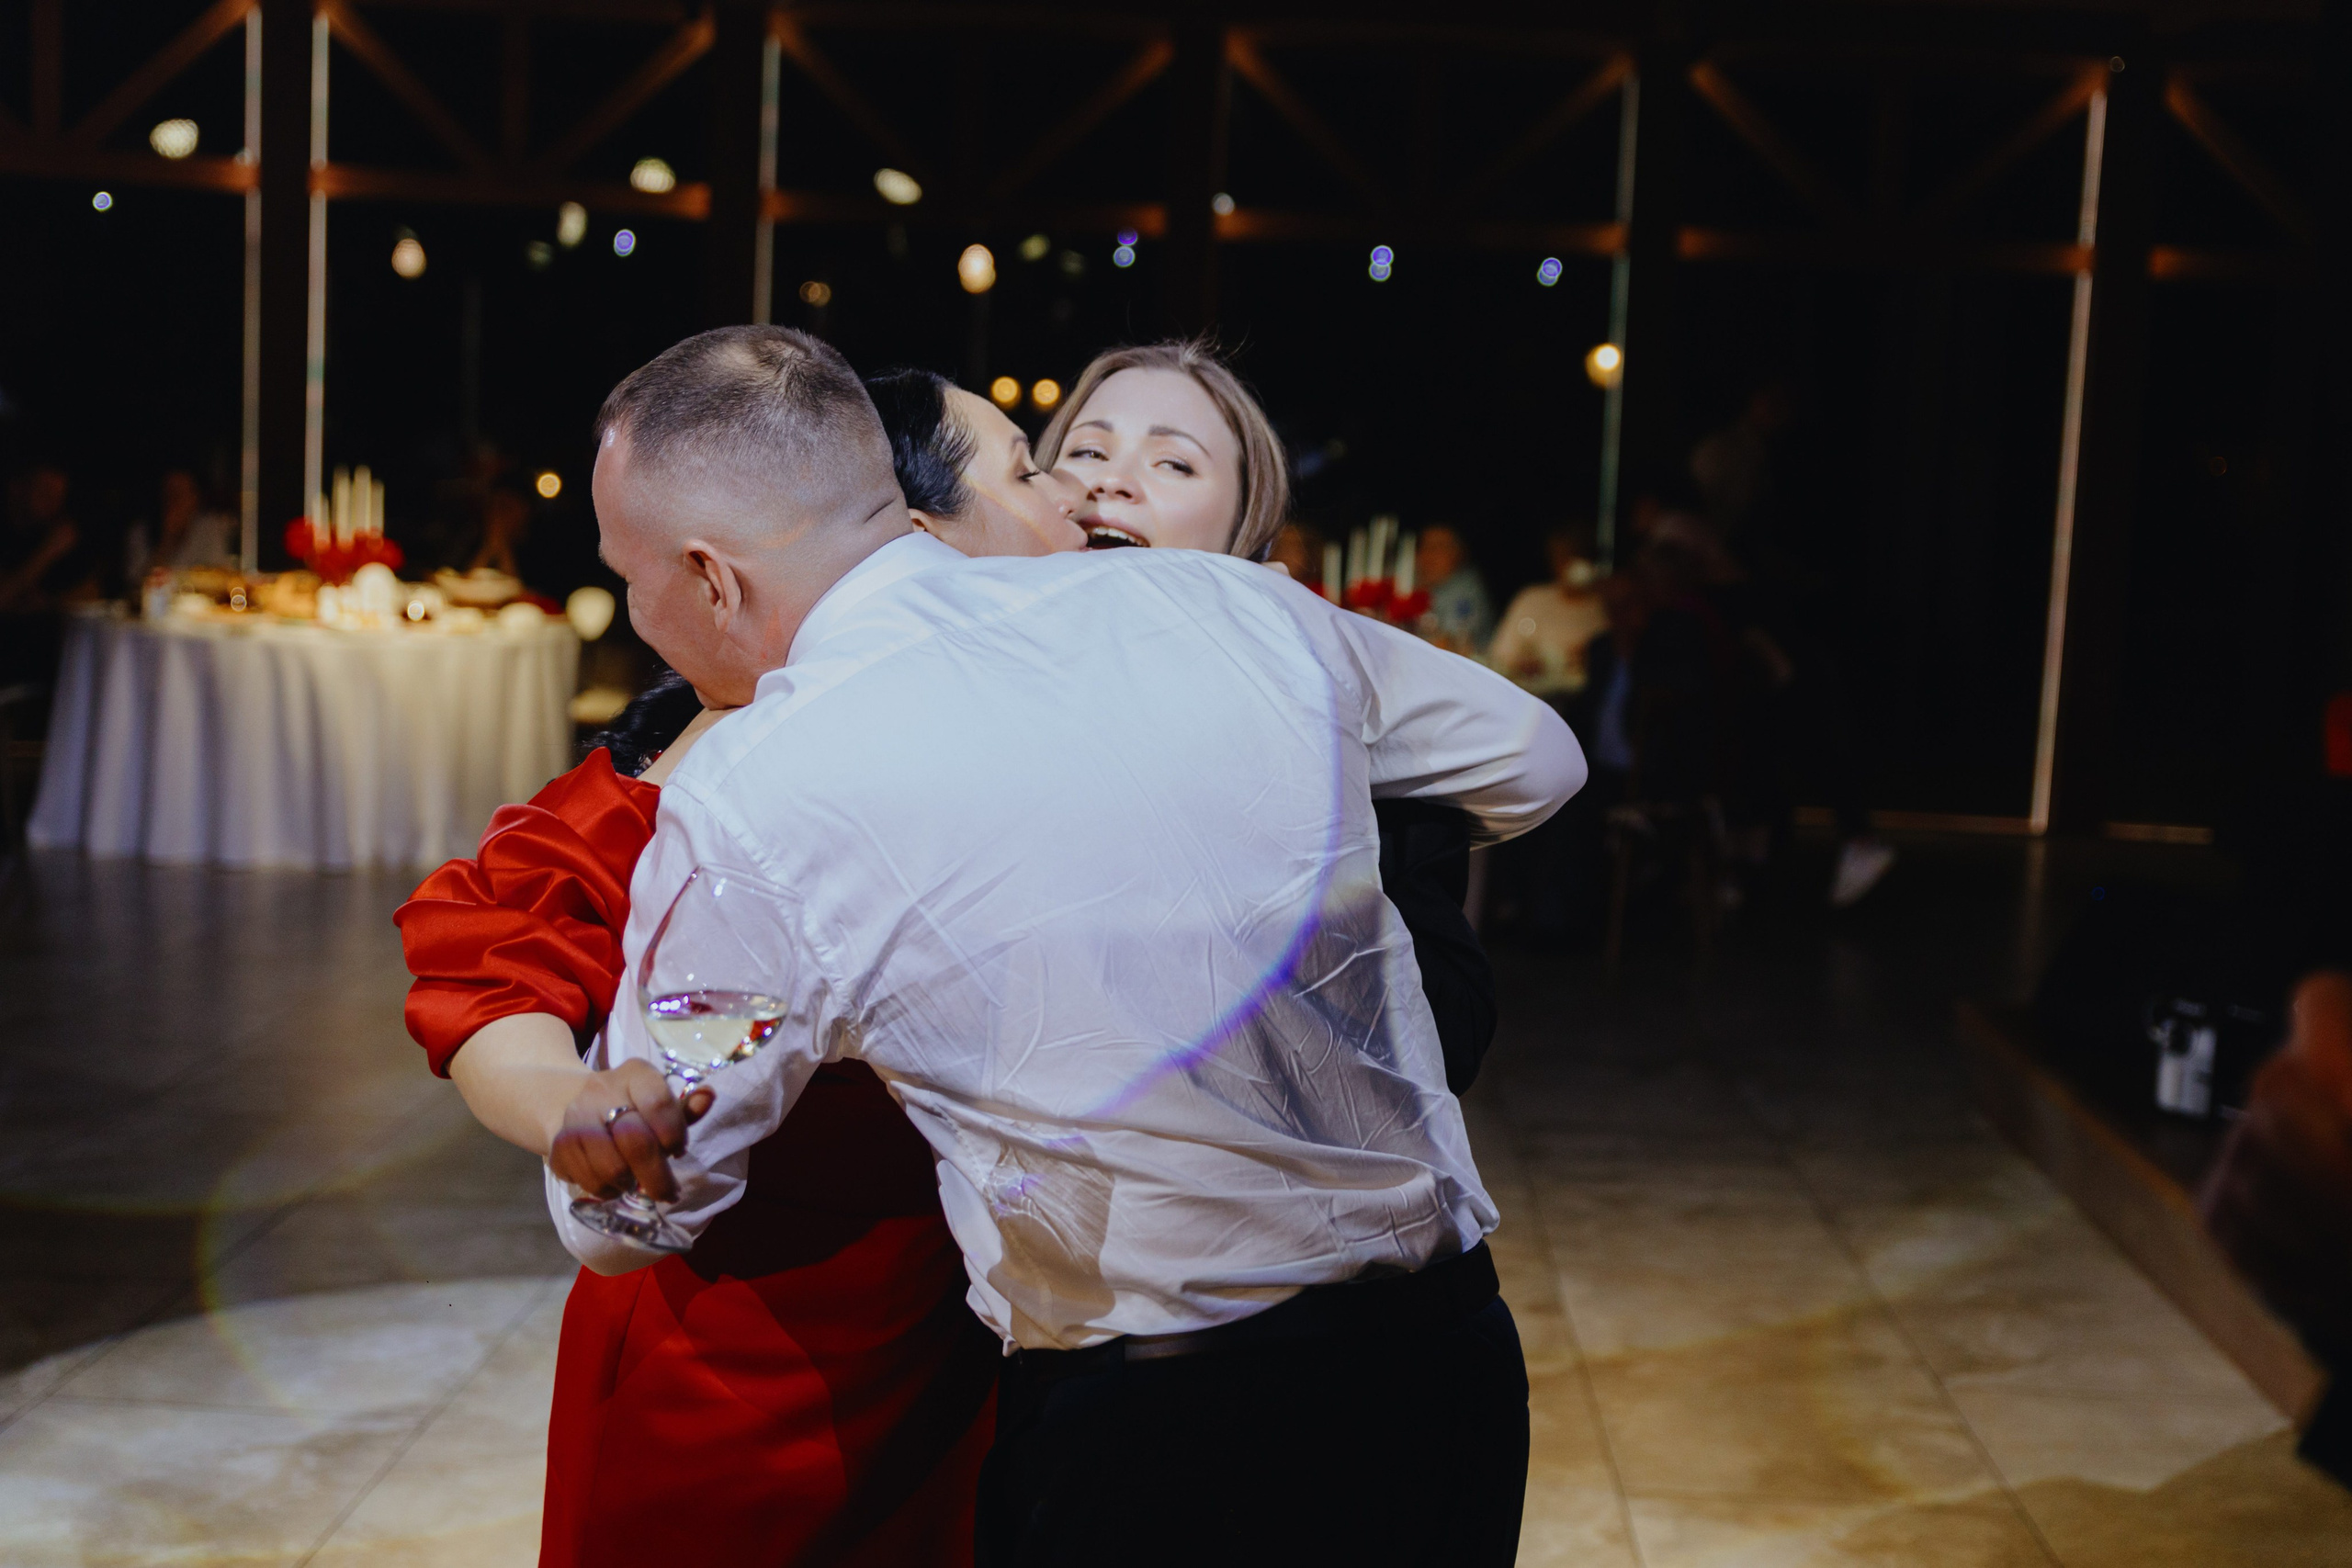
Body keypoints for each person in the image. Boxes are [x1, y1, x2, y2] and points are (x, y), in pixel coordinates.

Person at [559, 326, 1581, 1565]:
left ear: (711, 579)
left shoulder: (759, 796)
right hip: (1441, 1360)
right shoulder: (1229, 603)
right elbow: (1539, 762)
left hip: (1158, 1429)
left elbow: (633, 1207)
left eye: (629, 573)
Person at [395, 367, 1082, 1568]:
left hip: (971, 1346)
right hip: (751, 1379)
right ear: (909, 534)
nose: (1075, 494)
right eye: (1028, 469)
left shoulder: (1087, 720)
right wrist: (577, 1100)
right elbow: (503, 957)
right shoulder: (715, 777)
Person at [1039, 339, 1497, 1093]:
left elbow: (1452, 1038)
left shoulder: (1347, 739)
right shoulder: (965, 704)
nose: (1113, 482)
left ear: (1246, 529)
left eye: (1174, 462)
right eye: (1087, 450)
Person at [1489, 525, 1610, 697]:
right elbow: (1500, 657)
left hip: (1582, 704)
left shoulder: (1606, 608)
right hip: (1529, 698)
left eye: (1572, 556)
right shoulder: (1532, 598)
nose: (1563, 565)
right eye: (1559, 557)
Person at [124, 468, 236, 585]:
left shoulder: (209, 527)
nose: (173, 501)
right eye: (169, 493)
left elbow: (220, 576)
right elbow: (136, 585)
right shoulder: (141, 531)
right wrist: (167, 541)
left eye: (180, 494)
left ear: (195, 498)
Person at [1413, 524, 1494, 656]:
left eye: (1439, 547)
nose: (1429, 555)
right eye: (1425, 547)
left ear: (1459, 553)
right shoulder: (1411, 583)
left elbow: (1447, 645)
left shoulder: (1467, 587)